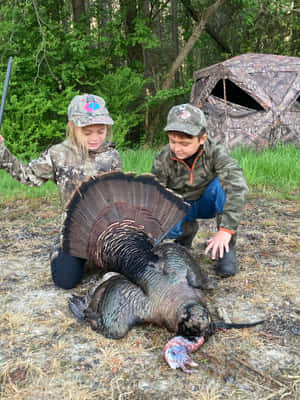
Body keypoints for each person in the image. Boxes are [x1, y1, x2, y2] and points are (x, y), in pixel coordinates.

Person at [0, 94, 122, 288]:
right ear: (73, 127)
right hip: (74, 231)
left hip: (105, 229)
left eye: (101, 131)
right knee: (65, 281)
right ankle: (64, 254)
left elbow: (119, 196)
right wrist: (2, 153)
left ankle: (98, 258)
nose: (95, 138)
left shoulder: (112, 156)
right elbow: (28, 176)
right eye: (87, 132)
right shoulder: (58, 154)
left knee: (126, 270)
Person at [151, 103, 248, 277]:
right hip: (180, 205)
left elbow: (237, 187)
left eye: (185, 143)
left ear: (202, 139)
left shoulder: (216, 152)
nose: (177, 148)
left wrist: (226, 231)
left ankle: (226, 247)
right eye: (173, 141)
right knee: (156, 236)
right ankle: (185, 233)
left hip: (206, 202)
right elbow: (155, 194)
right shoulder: (164, 157)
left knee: (222, 186)